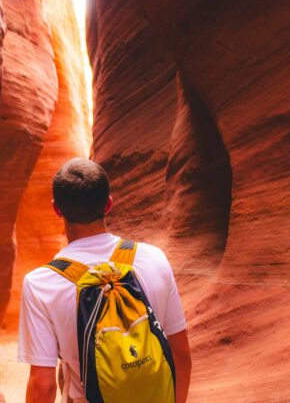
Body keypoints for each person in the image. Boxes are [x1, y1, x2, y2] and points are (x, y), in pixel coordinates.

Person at [17, 157, 192, 403]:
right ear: (108, 204)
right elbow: (180, 353)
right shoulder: (154, 259)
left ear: (57, 209)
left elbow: (43, 386)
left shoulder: (41, 284)